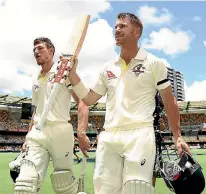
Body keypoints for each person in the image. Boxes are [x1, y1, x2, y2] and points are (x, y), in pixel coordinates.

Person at [68, 12, 191, 194]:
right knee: (104, 191)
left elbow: (169, 101)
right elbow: (89, 98)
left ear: (137, 32)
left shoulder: (154, 63)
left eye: (122, 26)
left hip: (139, 135)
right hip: (109, 136)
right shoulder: (107, 67)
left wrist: (177, 136)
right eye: (116, 26)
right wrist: (72, 74)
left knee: (136, 189)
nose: (117, 29)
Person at [13, 37, 90, 194]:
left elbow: (83, 101)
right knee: (24, 184)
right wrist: (28, 136)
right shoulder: (36, 77)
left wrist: (81, 132)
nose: (36, 52)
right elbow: (34, 109)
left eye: (40, 48)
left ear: (51, 50)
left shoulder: (64, 71)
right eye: (34, 49)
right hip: (37, 132)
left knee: (64, 183)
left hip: (60, 131)